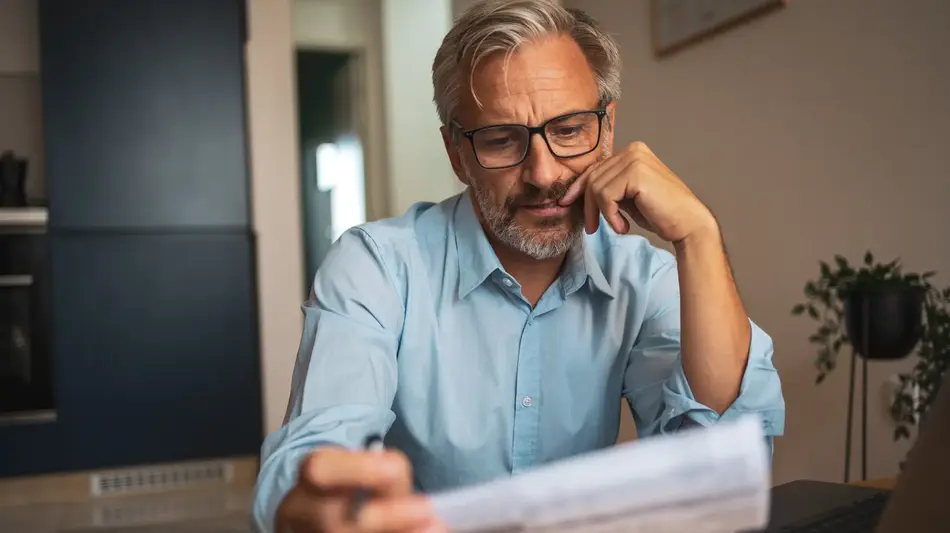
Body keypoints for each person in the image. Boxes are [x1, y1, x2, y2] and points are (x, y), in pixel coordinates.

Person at [253, 1, 785, 532]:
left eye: (571, 129)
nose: (543, 172)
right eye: (502, 139)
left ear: (607, 127)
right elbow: (312, 451)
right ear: (457, 153)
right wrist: (317, 507)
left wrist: (699, 236)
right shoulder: (375, 268)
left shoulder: (640, 278)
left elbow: (723, 464)